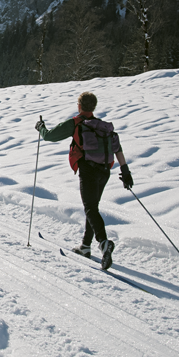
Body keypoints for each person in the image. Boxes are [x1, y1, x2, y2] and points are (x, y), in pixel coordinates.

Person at [36, 91, 133, 270]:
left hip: (88, 170)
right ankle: (85, 246)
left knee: (90, 207)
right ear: (94, 107)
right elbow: (117, 148)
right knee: (92, 207)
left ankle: (104, 244)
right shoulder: (103, 126)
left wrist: (41, 127)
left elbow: (49, 136)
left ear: (79, 106)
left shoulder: (76, 123)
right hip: (105, 171)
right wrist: (125, 171)